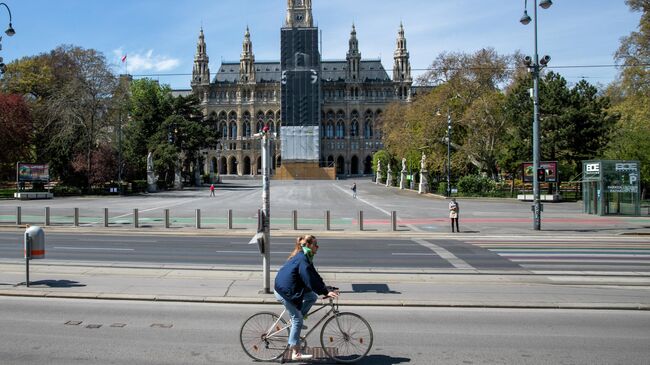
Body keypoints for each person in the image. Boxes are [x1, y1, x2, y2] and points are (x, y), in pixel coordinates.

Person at [274, 235, 339, 361]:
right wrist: (324, 292)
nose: (317, 247)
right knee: (297, 320)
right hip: (286, 291)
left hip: (290, 287)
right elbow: (309, 280)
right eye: (316, 244)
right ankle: (295, 353)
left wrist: (327, 288)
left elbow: (314, 275)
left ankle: (296, 321)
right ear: (309, 245)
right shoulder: (303, 258)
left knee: (311, 297)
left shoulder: (305, 256)